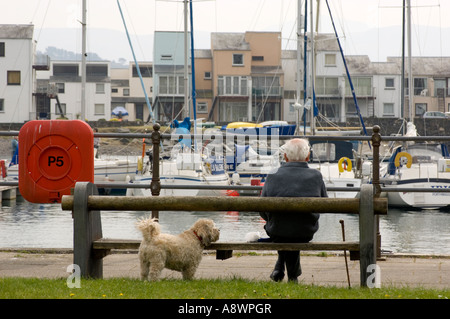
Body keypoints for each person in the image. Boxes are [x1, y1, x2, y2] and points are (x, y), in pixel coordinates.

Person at [260, 138, 327, 283]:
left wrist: (272, 220)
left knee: (284, 228)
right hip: (305, 231)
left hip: (277, 231)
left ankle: (280, 267)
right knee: (294, 227)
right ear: (308, 157)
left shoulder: (272, 175)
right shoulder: (316, 176)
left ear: (285, 157)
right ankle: (293, 276)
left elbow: (262, 209)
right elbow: (325, 204)